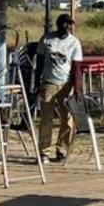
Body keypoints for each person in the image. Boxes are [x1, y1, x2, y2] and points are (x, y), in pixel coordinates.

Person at [36, 13, 83, 163]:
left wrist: (77, 88)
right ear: (58, 24)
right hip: (49, 83)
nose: (66, 26)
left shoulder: (74, 42)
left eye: (69, 24)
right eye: (63, 23)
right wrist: (37, 82)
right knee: (46, 119)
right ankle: (44, 151)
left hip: (66, 84)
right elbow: (39, 62)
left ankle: (61, 149)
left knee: (67, 119)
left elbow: (76, 67)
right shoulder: (47, 39)